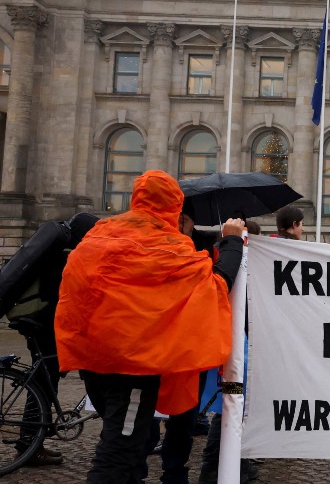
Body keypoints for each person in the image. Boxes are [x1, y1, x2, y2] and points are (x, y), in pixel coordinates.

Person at [55, 171, 246, 484]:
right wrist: (233, 243)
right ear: (174, 205)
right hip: (132, 368)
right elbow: (215, 285)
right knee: (118, 452)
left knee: (129, 446)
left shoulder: (100, 233)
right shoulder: (166, 245)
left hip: (91, 360)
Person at [2, 212, 98, 468]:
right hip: (42, 322)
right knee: (46, 382)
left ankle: (33, 440)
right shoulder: (64, 257)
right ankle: (30, 442)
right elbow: (63, 297)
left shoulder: (53, 253)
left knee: (46, 377)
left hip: (35, 320)